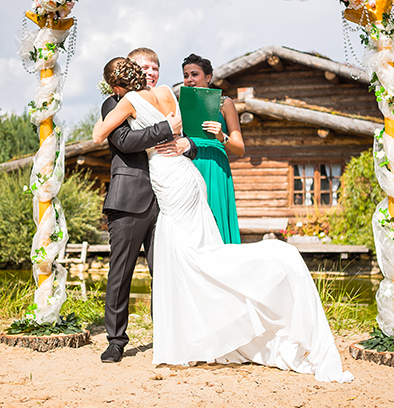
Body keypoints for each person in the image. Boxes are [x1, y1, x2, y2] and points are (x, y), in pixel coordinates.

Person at [93, 58, 353, 383]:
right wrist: (168, 131)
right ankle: (172, 333)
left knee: (189, 256)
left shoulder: (128, 101)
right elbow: (139, 139)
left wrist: (175, 137)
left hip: (169, 179)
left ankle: (194, 332)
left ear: (117, 84)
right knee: (191, 251)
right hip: (181, 179)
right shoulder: (166, 93)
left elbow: (99, 135)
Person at [99, 53, 197, 364]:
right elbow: (125, 141)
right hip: (130, 199)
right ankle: (116, 340)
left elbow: (185, 136)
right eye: (144, 67)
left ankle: (165, 334)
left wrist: (187, 144)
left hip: (167, 199)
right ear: (130, 72)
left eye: (155, 67)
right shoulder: (114, 103)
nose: (151, 72)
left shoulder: (165, 97)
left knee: (165, 270)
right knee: (121, 272)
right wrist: (165, 129)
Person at [182, 54, 243, 244]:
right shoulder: (180, 104)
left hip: (215, 165)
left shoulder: (225, 103)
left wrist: (221, 136)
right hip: (188, 163)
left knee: (215, 213)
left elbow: (240, 149)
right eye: (186, 75)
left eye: (195, 74)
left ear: (208, 77)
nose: (189, 80)